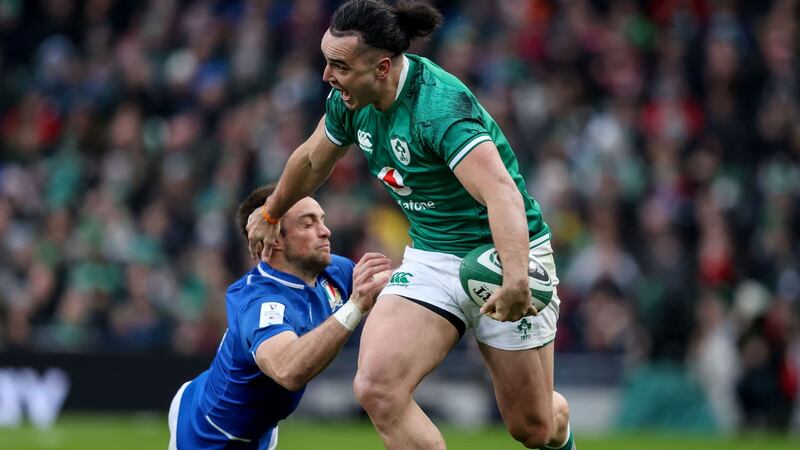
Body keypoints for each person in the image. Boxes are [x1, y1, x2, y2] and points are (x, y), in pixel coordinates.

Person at [247, 1, 575, 449]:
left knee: (533, 427)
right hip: (432, 255)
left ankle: (559, 424)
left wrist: (517, 277)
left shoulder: (439, 109)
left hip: (500, 255)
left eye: (340, 66)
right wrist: (271, 212)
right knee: (376, 387)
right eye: (327, 62)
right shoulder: (350, 101)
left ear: (382, 68)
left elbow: (502, 194)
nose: (327, 76)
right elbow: (311, 160)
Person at [168, 184, 392, 449]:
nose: (325, 231)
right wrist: (354, 308)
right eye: (307, 224)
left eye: (322, 220)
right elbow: (287, 370)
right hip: (210, 435)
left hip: (260, 429)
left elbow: (387, 284)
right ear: (274, 239)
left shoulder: (331, 271)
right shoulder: (260, 302)